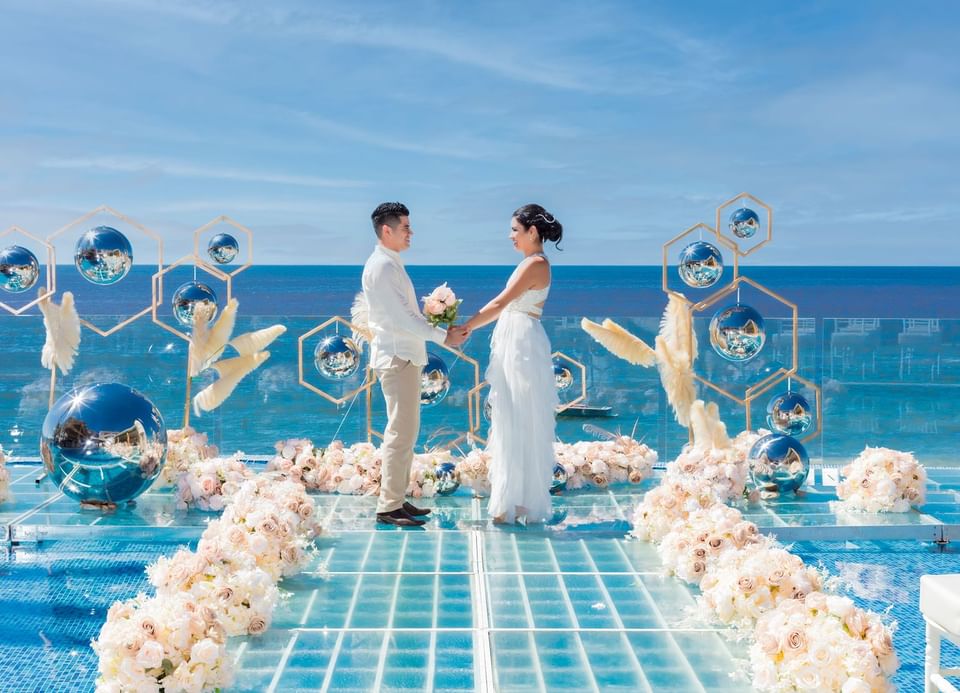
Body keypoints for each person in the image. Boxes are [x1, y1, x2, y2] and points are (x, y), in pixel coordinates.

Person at [362, 202, 467, 527]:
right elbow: (403, 318)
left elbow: (406, 316)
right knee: (399, 432)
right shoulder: (382, 267)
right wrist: (442, 336)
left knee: (406, 432)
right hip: (397, 357)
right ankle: (388, 506)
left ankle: (396, 500)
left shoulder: (390, 264)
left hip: (403, 355)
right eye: (406, 227)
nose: (411, 232)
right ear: (387, 230)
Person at [461, 204, 562, 524]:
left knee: (518, 415)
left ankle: (515, 500)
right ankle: (516, 499)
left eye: (515, 230)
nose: (511, 237)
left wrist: (466, 327)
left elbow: (500, 303)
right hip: (519, 338)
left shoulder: (534, 264)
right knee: (516, 416)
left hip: (521, 344)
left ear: (533, 232)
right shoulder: (534, 263)